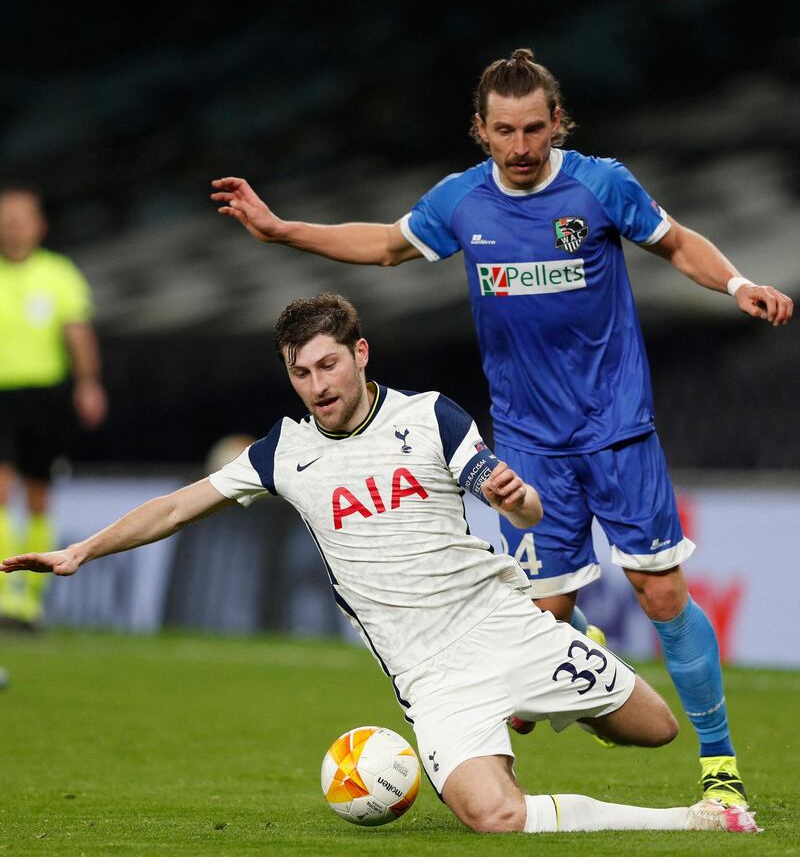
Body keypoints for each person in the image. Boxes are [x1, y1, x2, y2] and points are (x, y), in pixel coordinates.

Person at [209, 49, 794, 805]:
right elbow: (385, 245)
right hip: (526, 443)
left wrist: (739, 283)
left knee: (660, 591)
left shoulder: (601, 184)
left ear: (559, 124)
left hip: (617, 429)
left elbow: (677, 242)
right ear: (480, 130)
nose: (521, 147)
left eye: (535, 129)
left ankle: (721, 771)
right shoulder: (463, 203)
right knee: (540, 622)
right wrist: (284, 230)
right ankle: (543, 708)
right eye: (505, 131)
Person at [1, 294, 757, 834]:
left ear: (360, 354)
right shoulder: (285, 453)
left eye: (330, 365)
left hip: (502, 625)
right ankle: (690, 822)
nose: (319, 386)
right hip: (429, 676)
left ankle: (558, 677)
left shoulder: (428, 416)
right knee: (491, 816)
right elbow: (175, 506)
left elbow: (524, 512)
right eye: (302, 373)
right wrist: (81, 550)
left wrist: (519, 499)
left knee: (654, 730)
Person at [0, 186, 107, 630]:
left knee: (39, 496)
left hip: (45, 398)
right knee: (1, 488)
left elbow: (77, 332)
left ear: (39, 224)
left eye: (20, 217)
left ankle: (31, 604)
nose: (12, 225)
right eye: (6, 218)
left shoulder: (59, 274)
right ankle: (5, 596)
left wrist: (88, 384)